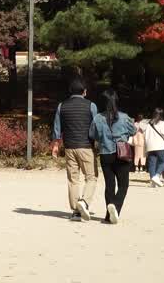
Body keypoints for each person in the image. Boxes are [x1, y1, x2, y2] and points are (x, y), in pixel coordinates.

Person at [52, 77, 99, 220]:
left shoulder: (62, 106)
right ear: (84, 91)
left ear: (70, 91)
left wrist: (55, 146)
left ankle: (75, 211)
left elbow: (57, 128)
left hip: (69, 147)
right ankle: (84, 202)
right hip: (86, 146)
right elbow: (96, 127)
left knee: (73, 179)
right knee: (91, 177)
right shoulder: (91, 105)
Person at [90, 90, 135, 224]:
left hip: (105, 153)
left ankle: (109, 215)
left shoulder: (98, 118)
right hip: (122, 153)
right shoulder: (124, 117)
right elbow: (133, 130)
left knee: (109, 185)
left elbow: (93, 135)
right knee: (123, 185)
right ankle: (115, 206)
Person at [140, 108, 164, 187]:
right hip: (159, 145)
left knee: (152, 164)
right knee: (162, 162)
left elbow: (141, 126)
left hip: (149, 146)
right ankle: (157, 176)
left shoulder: (147, 123)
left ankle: (152, 181)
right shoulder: (162, 123)